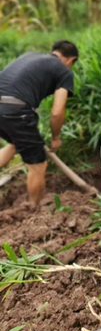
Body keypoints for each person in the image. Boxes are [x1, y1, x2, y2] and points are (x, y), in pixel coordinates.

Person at [0, 41, 78, 208]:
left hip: (5, 104)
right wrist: (56, 138)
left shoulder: (30, 56)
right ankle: (35, 210)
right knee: (38, 165)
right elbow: (57, 111)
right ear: (71, 60)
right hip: (16, 110)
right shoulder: (64, 71)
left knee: (16, 144)